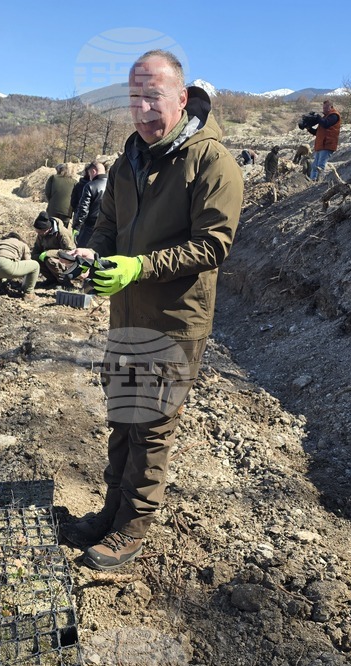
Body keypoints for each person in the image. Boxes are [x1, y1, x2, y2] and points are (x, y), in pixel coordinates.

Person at [62, 50, 243, 571]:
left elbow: (214, 246)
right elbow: (107, 225)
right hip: (125, 315)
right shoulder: (127, 162)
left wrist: (138, 268)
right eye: (135, 98)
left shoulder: (211, 162)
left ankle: (133, 527)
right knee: (122, 417)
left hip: (174, 322)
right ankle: (111, 510)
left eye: (154, 97)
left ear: (182, 99)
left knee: (152, 426)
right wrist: (93, 251)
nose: (142, 109)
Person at [0, 232, 39, 299]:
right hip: (3, 265)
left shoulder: (1, 242)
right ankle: (29, 293)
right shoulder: (22, 244)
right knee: (35, 266)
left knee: (3, 266)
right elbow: (28, 262)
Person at [32, 211, 80, 286]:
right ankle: (52, 280)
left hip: (65, 262)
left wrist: (49, 253)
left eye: (40, 232)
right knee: (35, 258)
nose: (38, 234)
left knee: (50, 260)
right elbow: (37, 249)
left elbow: (70, 252)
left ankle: (65, 282)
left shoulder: (62, 233)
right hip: (50, 259)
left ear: (47, 229)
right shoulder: (41, 234)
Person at [305, 99, 341, 180]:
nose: (324, 109)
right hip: (321, 145)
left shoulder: (334, 115)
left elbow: (326, 124)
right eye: (323, 107)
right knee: (314, 165)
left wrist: (318, 118)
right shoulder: (325, 117)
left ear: (331, 107)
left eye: (326, 107)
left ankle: (318, 181)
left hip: (327, 144)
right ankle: (313, 181)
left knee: (321, 165)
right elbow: (317, 132)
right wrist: (308, 128)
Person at [73, 161, 106, 248]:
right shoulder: (113, 185)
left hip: (90, 226)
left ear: (93, 171)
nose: (90, 177)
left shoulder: (90, 186)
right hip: (108, 226)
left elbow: (83, 209)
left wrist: (76, 226)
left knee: (82, 252)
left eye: (89, 174)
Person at [44, 164, 78, 228]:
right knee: (63, 231)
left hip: (53, 209)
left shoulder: (53, 178)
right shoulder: (75, 182)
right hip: (67, 211)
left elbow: (47, 192)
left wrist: (52, 202)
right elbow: (76, 198)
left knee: (51, 229)